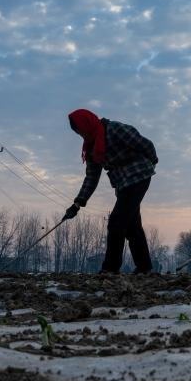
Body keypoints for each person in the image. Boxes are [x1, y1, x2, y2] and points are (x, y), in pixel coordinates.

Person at [62, 109, 158, 274]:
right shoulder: (91, 148)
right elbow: (91, 178)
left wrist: (152, 162)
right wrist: (77, 203)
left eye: (82, 131)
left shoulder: (114, 129)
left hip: (139, 175)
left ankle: (110, 268)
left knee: (116, 221)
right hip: (122, 184)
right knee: (132, 225)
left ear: (88, 124)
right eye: (79, 133)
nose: (82, 135)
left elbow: (145, 144)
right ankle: (144, 268)